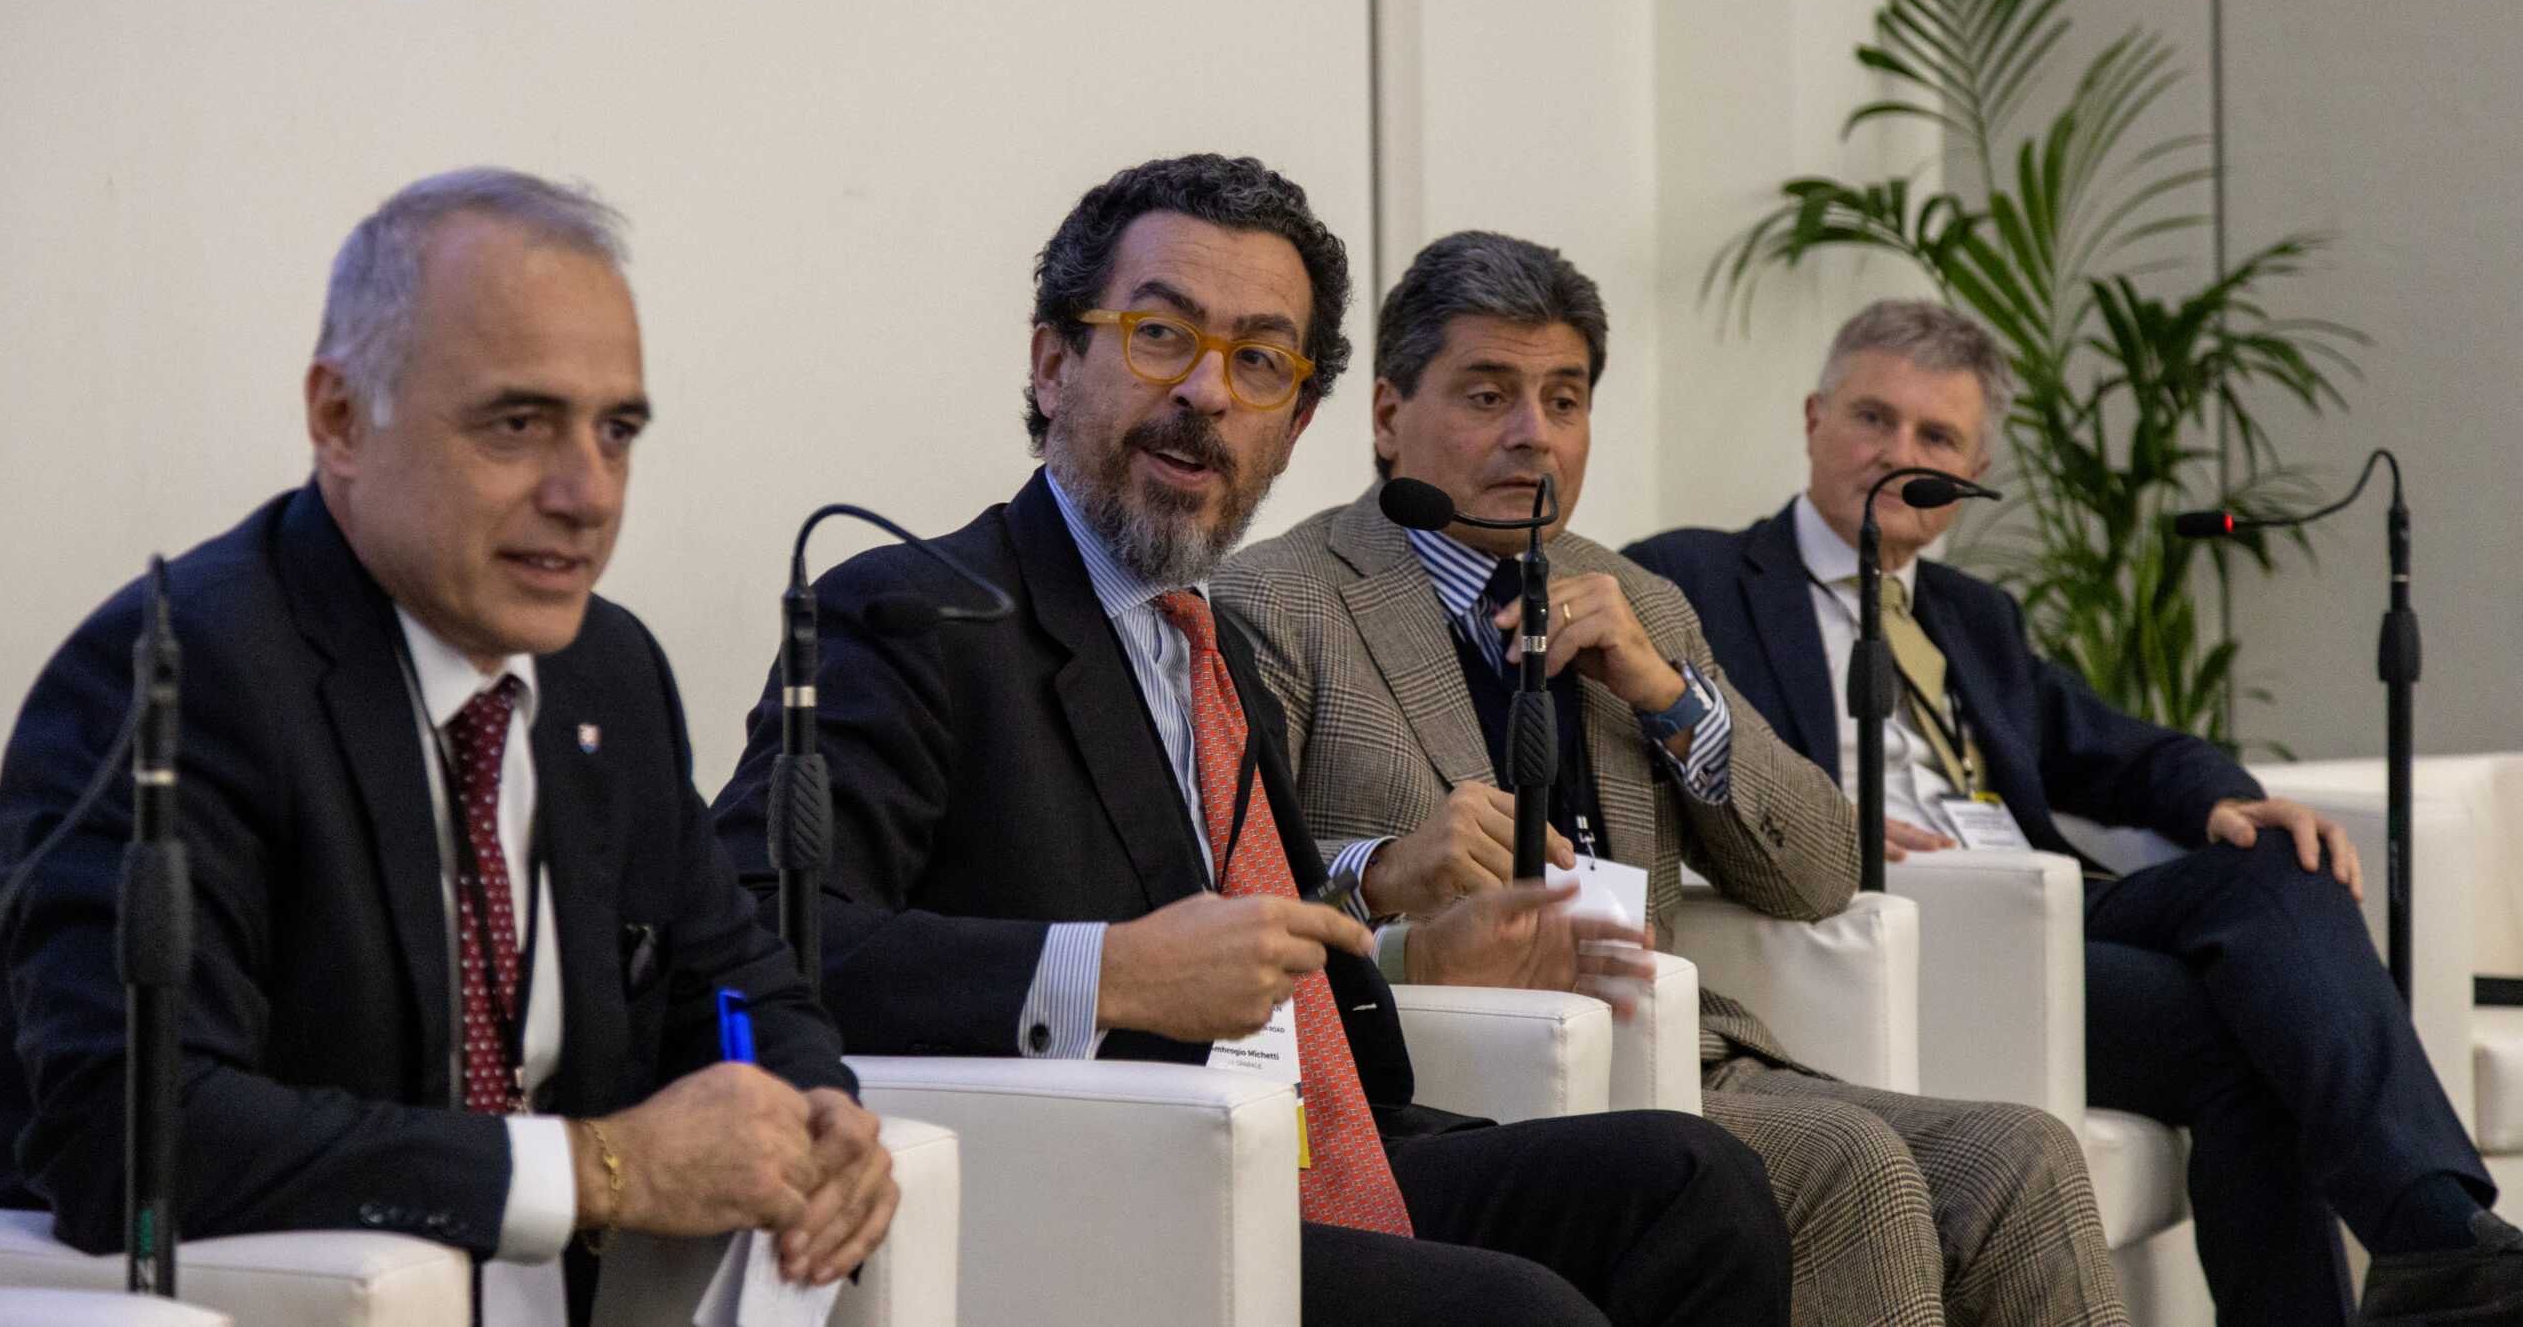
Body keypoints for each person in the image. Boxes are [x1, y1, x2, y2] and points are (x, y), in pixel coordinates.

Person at [713, 155, 1793, 1327]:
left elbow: (1254, 950)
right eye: (1160, 336)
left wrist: (1409, 953)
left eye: (1260, 363)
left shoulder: (1211, 643)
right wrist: (1109, 972)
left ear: (1295, 427)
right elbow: (759, 932)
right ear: (1052, 362)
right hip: (1115, 1196)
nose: (1207, 392)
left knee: (1700, 1187)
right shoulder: (916, 613)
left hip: (1312, 1145)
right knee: (1519, 1315)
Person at [0, 170, 895, 1327]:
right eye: (518, 425)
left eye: (615, 432)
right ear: (340, 419)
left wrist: (819, 1111)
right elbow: (132, 1132)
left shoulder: (607, 671)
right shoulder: (179, 676)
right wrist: (597, 1170)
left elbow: (735, 978)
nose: (586, 494)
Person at [1217, 232, 2125, 1327]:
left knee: (2023, 1154)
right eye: (1488, 394)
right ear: (1386, 415)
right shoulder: (1280, 603)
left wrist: (1667, 694)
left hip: (1677, 1050)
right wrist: (1384, 872)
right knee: (1854, 1164)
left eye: (1564, 400)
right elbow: (1221, 897)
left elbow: (1820, 872)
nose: (1533, 434)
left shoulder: (1636, 599)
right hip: (1467, 1066)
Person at [1625, 296, 2523, 1327]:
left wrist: (2231, 800)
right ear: (1813, 419)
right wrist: (1833, 824)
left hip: (2037, 904)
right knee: (2257, 1041)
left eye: (1936, 437)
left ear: (1969, 471)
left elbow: (2116, 748)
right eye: (1873, 417)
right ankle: (2434, 1240)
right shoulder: (1690, 576)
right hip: (1889, 927)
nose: (1898, 452)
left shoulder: (1973, 617)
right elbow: (1664, 772)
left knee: (2279, 863)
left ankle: (2433, 1235)